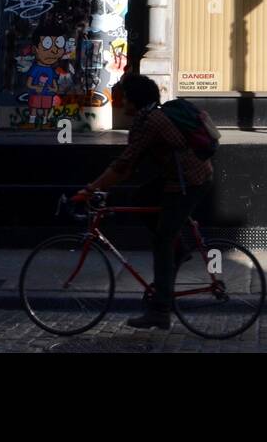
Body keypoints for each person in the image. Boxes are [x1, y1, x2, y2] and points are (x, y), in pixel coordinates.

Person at [74, 75, 213, 330]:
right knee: (140, 197)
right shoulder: (147, 118)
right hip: (177, 177)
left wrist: (92, 188)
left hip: (189, 181)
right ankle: (178, 250)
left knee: (163, 240)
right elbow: (129, 165)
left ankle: (160, 310)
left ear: (135, 100)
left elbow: (124, 165)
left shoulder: (151, 122)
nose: (122, 101)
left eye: (125, 96)